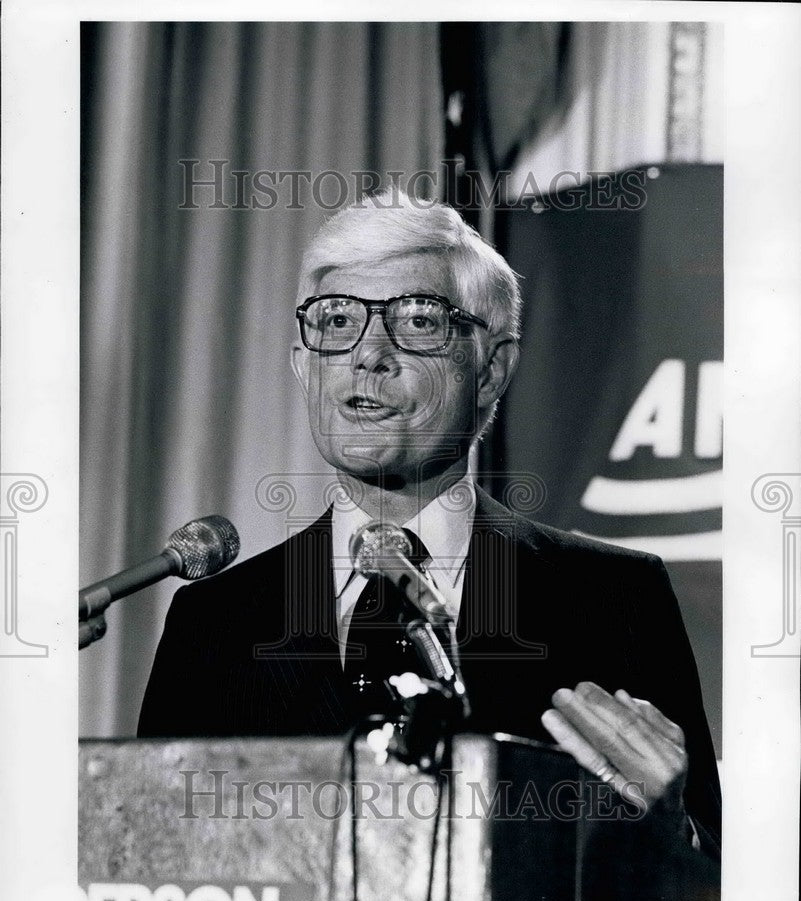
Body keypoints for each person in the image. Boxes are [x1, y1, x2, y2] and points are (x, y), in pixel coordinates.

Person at [138, 189, 721, 855]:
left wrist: (670, 828)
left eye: (417, 321)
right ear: (304, 367)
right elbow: (151, 864)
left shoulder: (613, 598)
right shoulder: (213, 622)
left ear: (491, 370)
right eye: (337, 321)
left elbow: (713, 880)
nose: (368, 355)